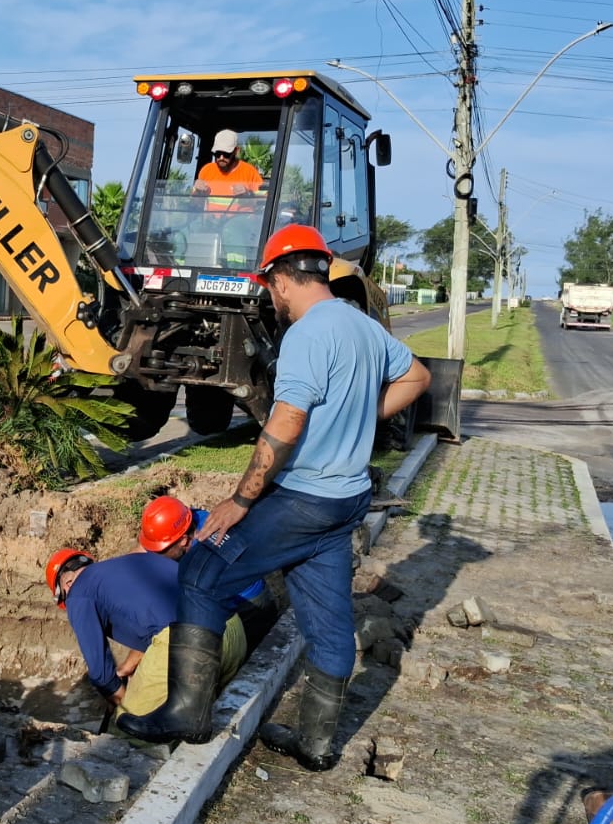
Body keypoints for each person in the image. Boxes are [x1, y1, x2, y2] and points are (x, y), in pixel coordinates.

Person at [117, 224, 431, 771]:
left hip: (304, 497)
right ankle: (317, 745)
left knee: (200, 573)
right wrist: (358, 421)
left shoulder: (308, 334)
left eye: (269, 287)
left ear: (282, 281)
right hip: (346, 499)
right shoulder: (362, 327)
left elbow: (286, 421)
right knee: (329, 622)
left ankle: (188, 714)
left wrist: (240, 500)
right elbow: (418, 377)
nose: (270, 298)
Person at [45, 548, 245, 722]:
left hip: (189, 644)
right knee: (205, 718)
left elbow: (101, 675)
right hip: (232, 629)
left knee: (134, 732)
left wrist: (127, 706)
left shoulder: (78, 594)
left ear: (67, 584)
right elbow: (156, 621)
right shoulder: (133, 562)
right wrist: (127, 667)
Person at [138, 496, 281, 651]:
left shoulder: (203, 556)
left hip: (249, 606)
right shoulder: (190, 519)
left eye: (160, 551)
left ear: (184, 541)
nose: (154, 555)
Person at [192, 130, 264, 214]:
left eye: (226, 154)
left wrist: (247, 195)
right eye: (218, 154)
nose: (221, 158)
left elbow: (263, 204)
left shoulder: (250, 172)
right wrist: (198, 191)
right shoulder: (207, 170)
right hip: (211, 223)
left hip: (242, 223)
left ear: (236, 151)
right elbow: (195, 205)